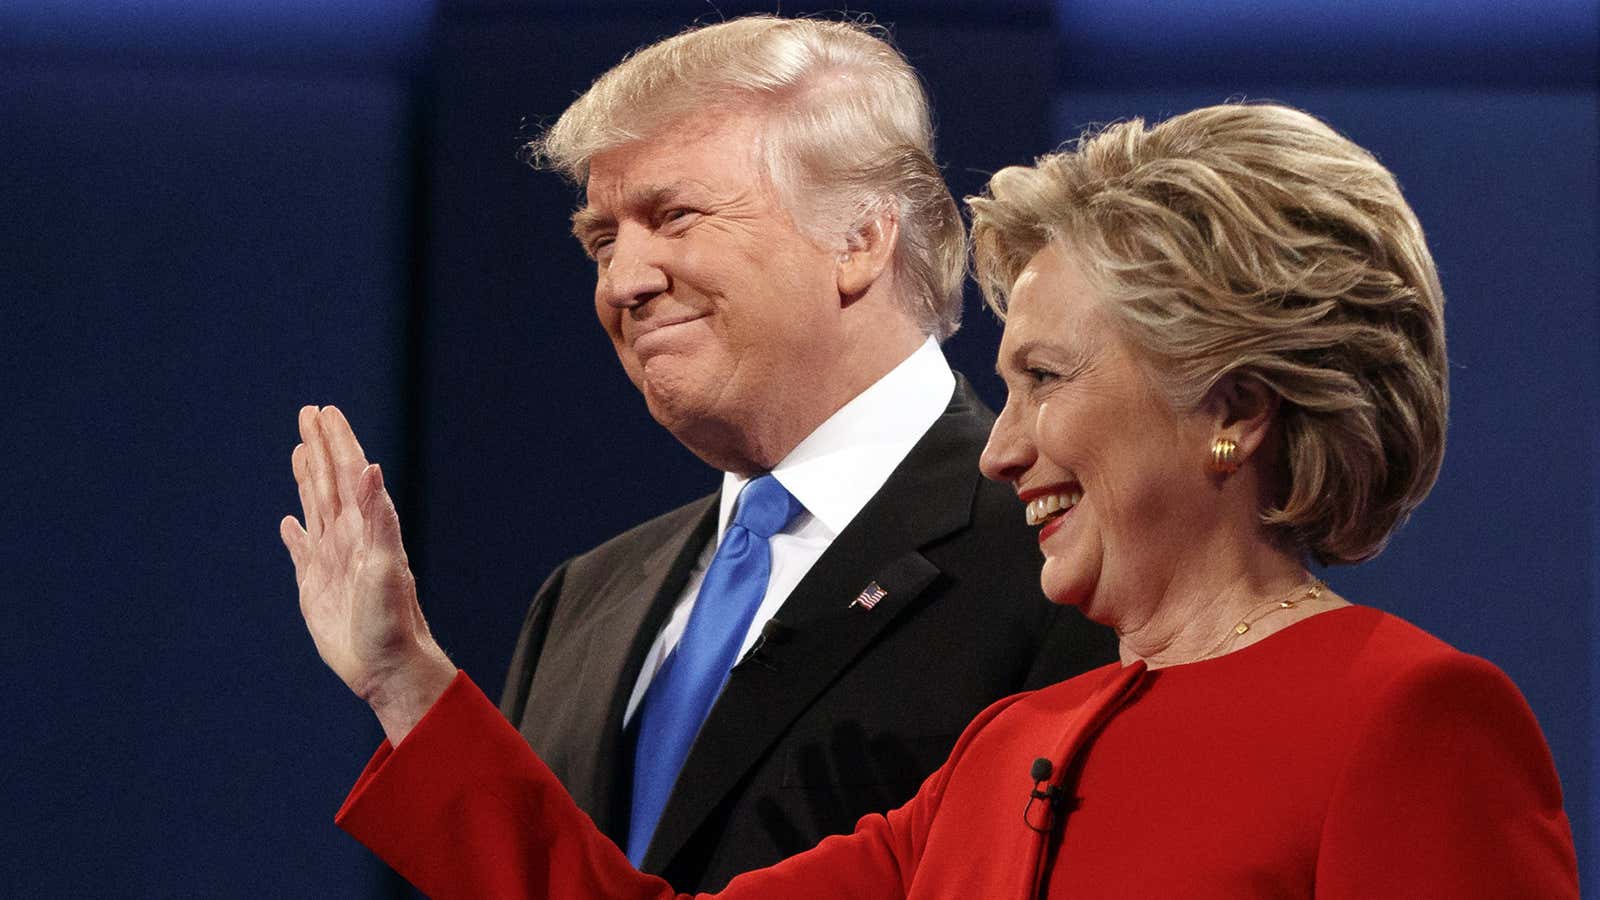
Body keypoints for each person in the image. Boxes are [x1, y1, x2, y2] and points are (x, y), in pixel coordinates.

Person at [284, 103, 1580, 897]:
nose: (1001, 450)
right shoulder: (1001, 756)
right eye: (999, 388)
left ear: (1235, 411)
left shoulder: (1408, 722)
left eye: (1047, 380)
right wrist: (405, 679)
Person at [289, 14, 1115, 894]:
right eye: (603, 242)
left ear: (860, 239)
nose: (622, 282)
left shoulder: (1061, 557)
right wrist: (400, 679)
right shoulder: (584, 602)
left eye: (673, 216)